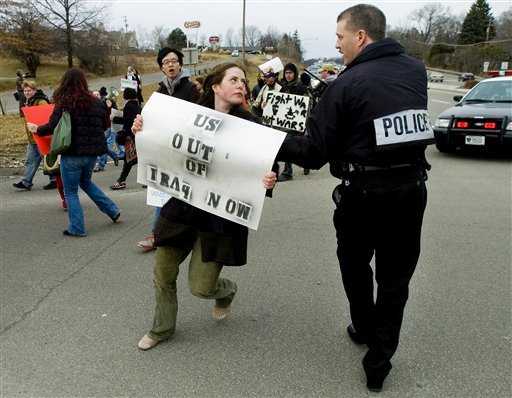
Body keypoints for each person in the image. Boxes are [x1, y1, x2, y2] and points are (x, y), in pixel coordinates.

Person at [277, 4, 431, 392]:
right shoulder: (416, 71)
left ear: (360, 37)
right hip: (411, 190)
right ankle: (379, 360)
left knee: (353, 262)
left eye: (340, 37)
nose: (337, 44)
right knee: (395, 278)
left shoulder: (345, 84)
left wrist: (271, 142)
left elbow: (314, 152)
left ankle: (363, 326)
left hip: (362, 195)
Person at [132, 63, 277, 351]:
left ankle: (226, 291)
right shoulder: (187, 116)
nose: (241, 85)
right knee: (163, 273)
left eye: (243, 81)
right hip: (182, 210)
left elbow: (262, 172)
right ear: (215, 87)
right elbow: (162, 145)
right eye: (233, 79)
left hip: (220, 219)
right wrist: (142, 129)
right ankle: (161, 329)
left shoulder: (253, 127)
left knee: (201, 287)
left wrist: (269, 181)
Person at [27, 68, 120, 237]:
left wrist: (36, 129)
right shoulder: (97, 102)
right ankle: (113, 210)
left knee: (70, 192)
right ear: (84, 82)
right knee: (86, 182)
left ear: (65, 83)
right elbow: (105, 125)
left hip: (72, 154)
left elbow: (52, 126)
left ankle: (77, 228)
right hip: (92, 154)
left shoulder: (64, 103)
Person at [136, 47, 200, 252]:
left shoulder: (191, 89)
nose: (170, 64)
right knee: (162, 191)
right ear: (162, 68)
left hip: (189, 150)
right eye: (166, 62)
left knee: (191, 192)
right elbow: (150, 120)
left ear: (180, 64)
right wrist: (139, 124)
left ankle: (198, 232)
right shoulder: (159, 93)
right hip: (166, 151)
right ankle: (157, 235)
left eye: (174, 60)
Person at [12, 81, 57, 191]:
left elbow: (47, 117)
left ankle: (55, 180)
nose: (27, 92)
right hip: (33, 138)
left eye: (29, 90)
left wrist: (40, 130)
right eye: (25, 91)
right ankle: (26, 182)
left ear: (34, 90)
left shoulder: (41, 101)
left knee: (47, 159)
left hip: (41, 136)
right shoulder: (29, 101)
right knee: (31, 160)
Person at [278, 63, 308, 182]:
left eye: (290, 73)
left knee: (300, 144)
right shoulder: (281, 87)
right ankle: (287, 171)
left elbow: (306, 103)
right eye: (286, 73)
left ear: (294, 74)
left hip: (298, 121)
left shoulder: (300, 87)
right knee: (287, 143)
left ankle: (306, 164)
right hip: (285, 122)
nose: (288, 75)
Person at [109, 88, 142, 190]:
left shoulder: (128, 106)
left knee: (129, 160)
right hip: (137, 135)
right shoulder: (137, 105)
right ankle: (122, 180)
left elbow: (127, 121)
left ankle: (121, 181)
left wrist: (114, 118)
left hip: (130, 136)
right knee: (135, 158)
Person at [93, 88, 120, 172]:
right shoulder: (93, 104)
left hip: (105, 127)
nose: (96, 96)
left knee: (101, 145)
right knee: (102, 145)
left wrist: (109, 105)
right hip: (98, 127)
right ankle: (114, 156)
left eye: (97, 94)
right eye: (95, 95)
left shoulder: (105, 102)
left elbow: (110, 110)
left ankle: (101, 165)